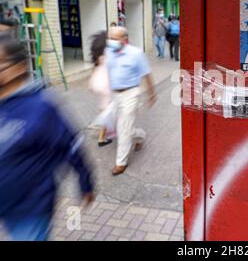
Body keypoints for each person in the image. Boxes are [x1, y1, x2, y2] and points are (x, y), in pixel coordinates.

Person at [0, 34, 94, 241]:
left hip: (30, 209)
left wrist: (86, 183)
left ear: (19, 67)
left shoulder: (42, 106)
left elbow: (71, 146)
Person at [105, 26, 157, 175]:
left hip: (131, 93)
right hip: (115, 94)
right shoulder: (109, 51)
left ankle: (120, 163)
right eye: (110, 38)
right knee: (117, 125)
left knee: (124, 128)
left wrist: (152, 94)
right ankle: (140, 136)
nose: (110, 42)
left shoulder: (136, 53)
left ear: (124, 39)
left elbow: (147, 74)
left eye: (114, 39)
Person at [88, 31, 114, 147]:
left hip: (98, 85)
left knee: (105, 110)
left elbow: (94, 70)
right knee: (109, 112)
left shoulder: (98, 57)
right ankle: (102, 138)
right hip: (107, 87)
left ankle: (102, 136)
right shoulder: (108, 56)